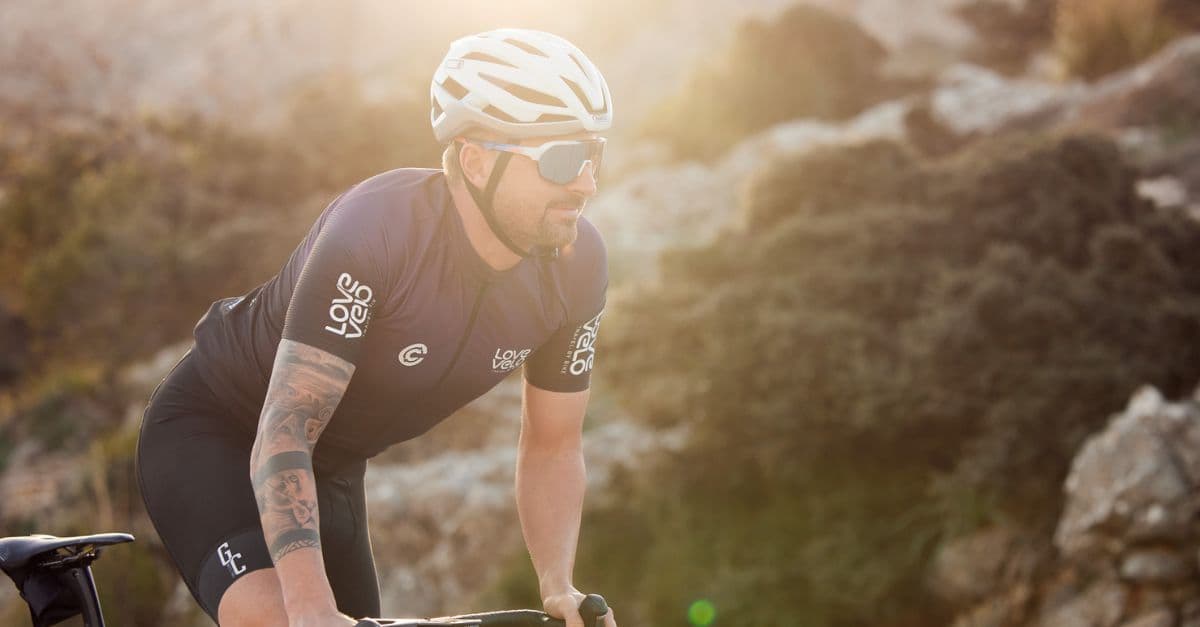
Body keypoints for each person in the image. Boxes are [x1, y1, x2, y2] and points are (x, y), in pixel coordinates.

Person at [136, 28, 618, 627]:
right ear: (476, 160)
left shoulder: (577, 266)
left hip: (333, 467)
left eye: (593, 155)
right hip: (218, 432)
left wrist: (557, 586)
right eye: (562, 159)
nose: (586, 183)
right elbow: (286, 429)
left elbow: (554, 444)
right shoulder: (377, 232)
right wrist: (310, 608)